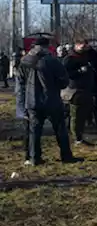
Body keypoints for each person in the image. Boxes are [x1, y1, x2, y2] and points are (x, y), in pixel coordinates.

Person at [18, 36, 76, 166]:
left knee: (34, 131)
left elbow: (20, 84)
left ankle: (34, 158)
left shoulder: (24, 61)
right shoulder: (53, 61)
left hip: (32, 101)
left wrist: (22, 104)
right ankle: (66, 156)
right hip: (51, 100)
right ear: (46, 46)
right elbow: (64, 82)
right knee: (60, 128)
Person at [62, 41, 97, 145]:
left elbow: (96, 59)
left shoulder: (86, 57)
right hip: (75, 90)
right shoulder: (69, 59)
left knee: (83, 114)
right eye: (81, 44)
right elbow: (65, 73)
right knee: (75, 114)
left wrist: (90, 49)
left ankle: (80, 135)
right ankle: (77, 137)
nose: (83, 47)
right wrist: (79, 71)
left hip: (86, 89)